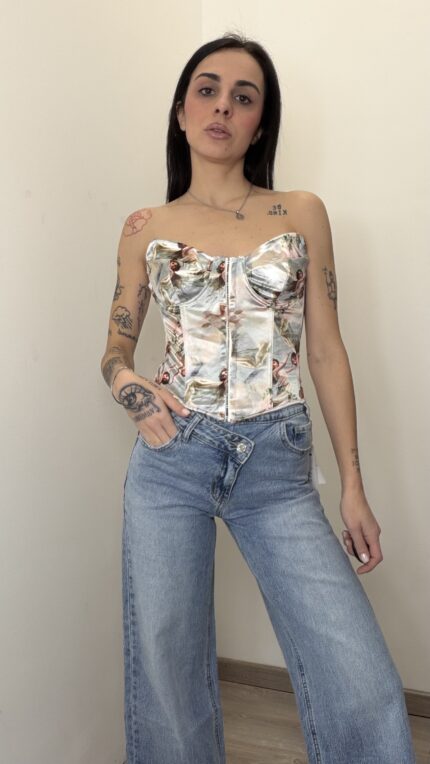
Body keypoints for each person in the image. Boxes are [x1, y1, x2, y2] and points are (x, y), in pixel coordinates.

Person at [100, 32, 416, 764]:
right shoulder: (146, 228)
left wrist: (354, 486)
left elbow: (327, 351)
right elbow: (114, 349)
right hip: (172, 459)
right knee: (168, 670)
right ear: (181, 111)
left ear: (260, 123)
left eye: (243, 98)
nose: (222, 107)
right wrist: (127, 384)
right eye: (207, 90)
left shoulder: (300, 212)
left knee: (360, 678)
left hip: (278, 463)